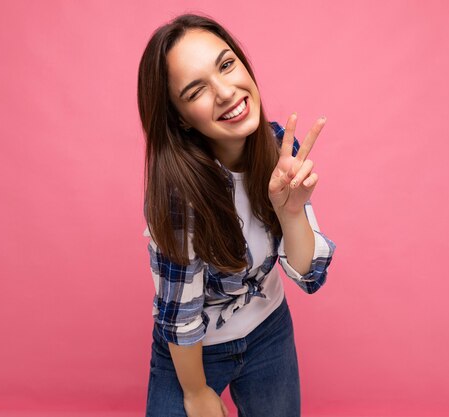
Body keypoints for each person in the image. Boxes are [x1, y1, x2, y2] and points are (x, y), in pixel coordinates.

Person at [137, 13, 336, 417]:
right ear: (178, 117)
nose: (226, 92)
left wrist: (292, 213)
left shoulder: (278, 146)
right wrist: (195, 392)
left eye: (226, 64)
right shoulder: (179, 194)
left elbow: (310, 277)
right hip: (194, 352)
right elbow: (181, 311)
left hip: (269, 334)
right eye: (196, 91)